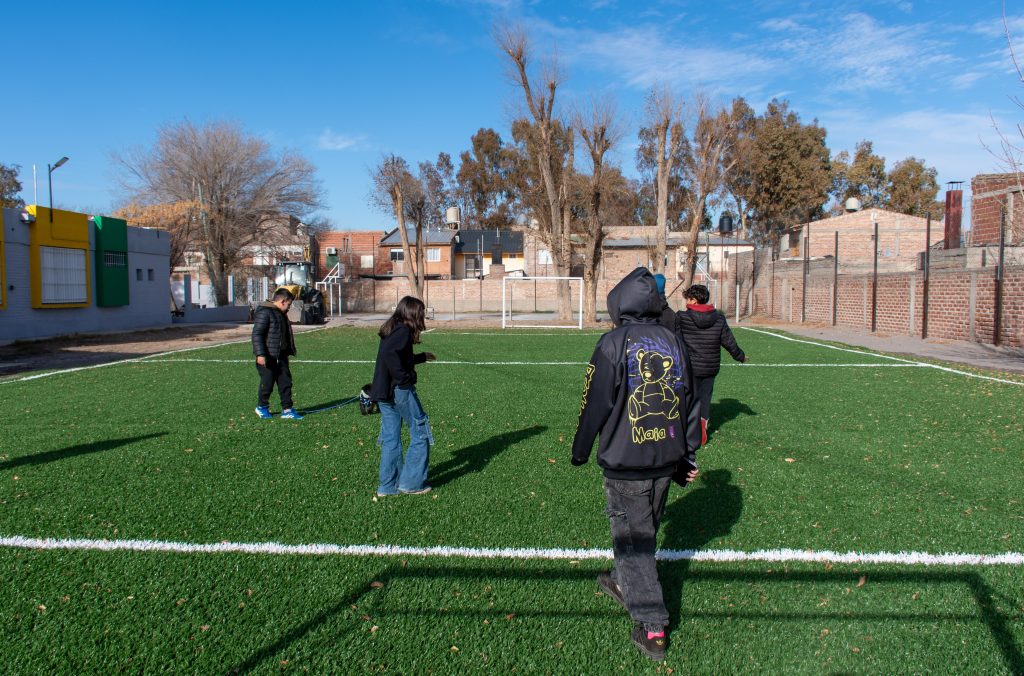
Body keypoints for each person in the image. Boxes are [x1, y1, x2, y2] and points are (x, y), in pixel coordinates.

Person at [571, 267, 701, 661]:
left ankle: (653, 626)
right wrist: (687, 453)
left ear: (620, 303)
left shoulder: (612, 344)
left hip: (627, 464)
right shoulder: (674, 342)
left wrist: (580, 448)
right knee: (639, 533)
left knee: (635, 540)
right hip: (664, 460)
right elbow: (691, 402)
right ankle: (627, 582)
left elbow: (594, 403)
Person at [369, 296, 436, 496]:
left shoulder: (393, 328)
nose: (423, 316)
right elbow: (391, 355)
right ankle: (411, 483)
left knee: (391, 439)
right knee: (420, 431)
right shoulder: (403, 330)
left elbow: (399, 357)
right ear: (413, 313)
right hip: (399, 391)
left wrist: (421, 357)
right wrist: (404, 380)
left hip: (385, 392)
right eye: (421, 312)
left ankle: (388, 486)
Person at [674, 284, 746, 445]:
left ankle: (687, 430)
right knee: (705, 398)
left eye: (688, 299)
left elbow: (675, 340)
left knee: (687, 397)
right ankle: (702, 426)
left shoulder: (681, 317)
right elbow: (728, 341)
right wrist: (740, 356)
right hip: (710, 366)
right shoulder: (719, 318)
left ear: (693, 299)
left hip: (689, 367)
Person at [252, 288, 303, 420]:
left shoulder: (279, 313)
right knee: (267, 383)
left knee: (285, 382)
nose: (289, 308)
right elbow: (257, 334)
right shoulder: (265, 312)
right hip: (268, 356)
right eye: (289, 305)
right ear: (282, 301)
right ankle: (262, 407)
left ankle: (287, 409)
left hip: (281, 356)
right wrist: (260, 354)